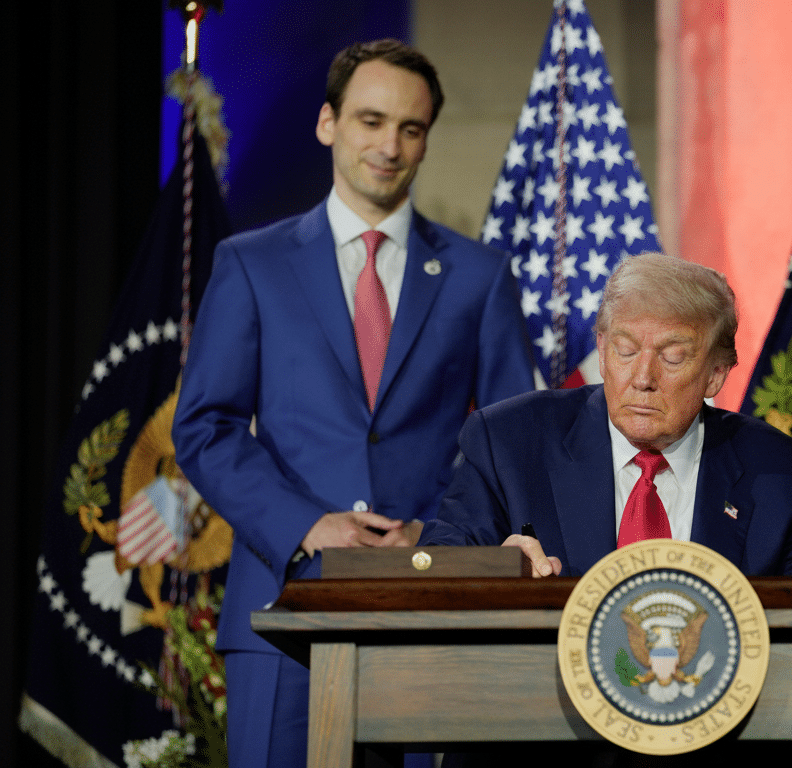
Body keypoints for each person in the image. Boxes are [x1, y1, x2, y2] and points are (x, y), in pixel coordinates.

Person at [173, 39, 534, 767]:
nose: (389, 146)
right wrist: (309, 524)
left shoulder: (480, 277)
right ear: (327, 123)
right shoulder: (250, 264)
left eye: (411, 128)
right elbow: (205, 428)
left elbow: (514, 442)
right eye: (371, 121)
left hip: (436, 615)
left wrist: (441, 543)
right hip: (284, 610)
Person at [419, 252, 792, 578]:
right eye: (626, 350)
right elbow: (437, 568)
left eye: (672, 358)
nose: (643, 378)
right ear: (601, 347)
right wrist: (492, 571)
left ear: (716, 375)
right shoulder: (508, 443)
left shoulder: (784, 478)